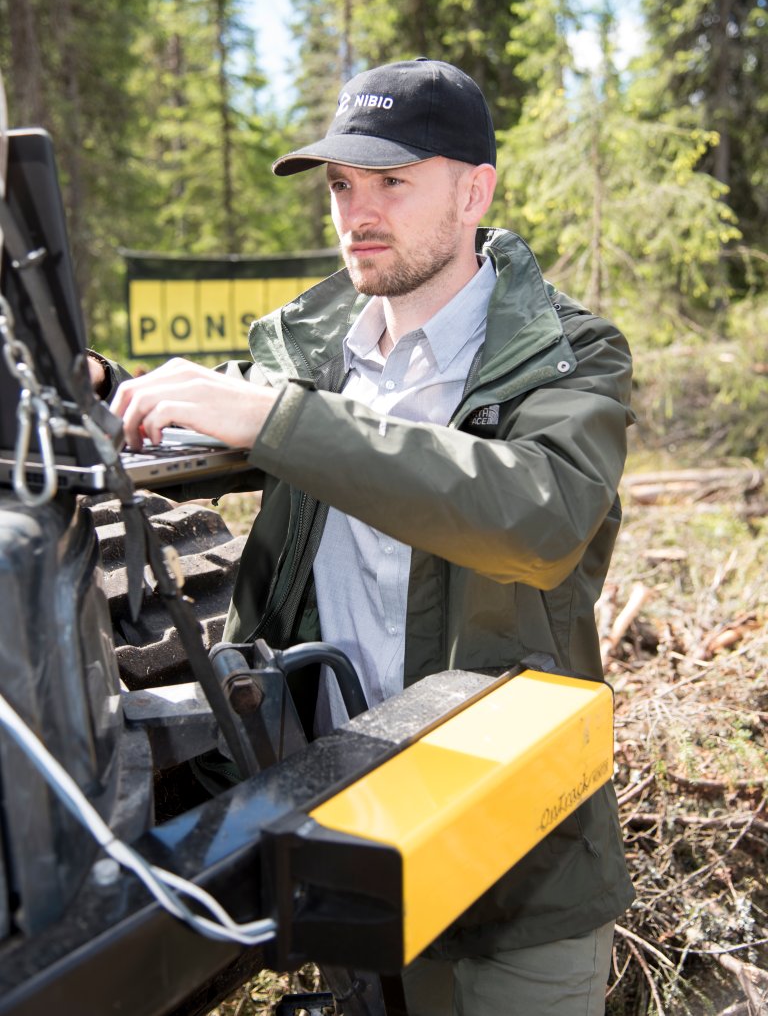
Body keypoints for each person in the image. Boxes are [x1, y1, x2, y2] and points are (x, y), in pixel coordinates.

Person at [103, 58, 635, 1015]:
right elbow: (202, 408)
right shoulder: (306, 350)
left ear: (476, 191)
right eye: (344, 185)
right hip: (359, 832)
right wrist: (107, 386)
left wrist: (275, 421)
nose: (357, 211)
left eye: (392, 181)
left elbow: (542, 516)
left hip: (522, 860)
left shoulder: (568, 350)